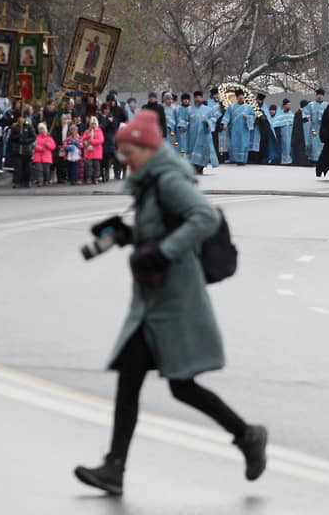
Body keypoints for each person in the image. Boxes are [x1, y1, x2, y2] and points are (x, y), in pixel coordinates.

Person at [74, 110, 267, 496]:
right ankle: (115, 466)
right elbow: (161, 227)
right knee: (144, 381)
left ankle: (247, 436)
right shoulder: (148, 183)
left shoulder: (168, 181)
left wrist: (162, 252)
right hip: (153, 301)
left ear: (147, 148)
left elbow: (204, 217)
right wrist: (128, 235)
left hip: (175, 299)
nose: (124, 161)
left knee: (177, 385)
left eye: (128, 153)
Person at [221, 89, 255, 165]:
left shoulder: (248, 107)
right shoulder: (231, 107)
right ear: (236, 98)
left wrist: (248, 117)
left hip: (244, 130)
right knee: (235, 144)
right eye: (239, 97)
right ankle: (235, 159)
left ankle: (243, 160)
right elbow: (227, 116)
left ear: (244, 97)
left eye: (242, 97)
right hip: (235, 130)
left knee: (244, 144)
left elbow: (254, 116)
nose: (241, 98)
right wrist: (225, 123)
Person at [188, 91, 218, 174]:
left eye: (200, 97)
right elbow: (185, 121)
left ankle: (201, 167)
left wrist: (208, 122)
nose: (198, 99)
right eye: (196, 97)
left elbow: (213, 119)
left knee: (203, 151)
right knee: (193, 152)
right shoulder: (189, 109)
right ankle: (193, 167)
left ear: (202, 98)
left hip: (204, 135)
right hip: (193, 135)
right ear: (194, 99)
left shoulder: (208, 109)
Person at [8, 109, 36, 188]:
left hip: (27, 150)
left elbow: (33, 137)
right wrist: (17, 137)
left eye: (22, 118)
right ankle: (17, 182)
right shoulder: (15, 127)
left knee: (27, 168)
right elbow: (11, 138)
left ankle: (27, 181)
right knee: (18, 167)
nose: (21, 119)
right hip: (17, 150)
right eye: (20, 118)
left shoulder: (29, 126)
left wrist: (25, 140)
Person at [98, 102, 120, 181]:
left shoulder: (112, 116)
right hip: (101, 139)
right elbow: (101, 126)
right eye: (105, 109)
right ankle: (102, 173)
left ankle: (106, 173)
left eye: (108, 109)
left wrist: (112, 121)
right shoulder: (99, 116)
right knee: (101, 159)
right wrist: (108, 121)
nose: (107, 111)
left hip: (110, 139)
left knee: (109, 157)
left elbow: (115, 127)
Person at [306, 89, 328, 163]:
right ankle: (313, 160)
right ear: (316, 95)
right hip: (313, 128)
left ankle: (322, 160)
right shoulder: (311, 105)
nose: (320, 96)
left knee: (322, 145)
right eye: (318, 94)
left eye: (321, 95)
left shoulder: (326, 105)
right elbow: (306, 115)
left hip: (323, 129)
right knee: (312, 145)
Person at [81, 116, 104, 184]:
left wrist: (91, 141)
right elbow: (82, 139)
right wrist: (87, 137)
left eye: (94, 124)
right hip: (88, 151)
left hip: (96, 151)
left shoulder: (99, 131)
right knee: (89, 166)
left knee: (96, 166)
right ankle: (89, 177)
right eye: (92, 124)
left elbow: (101, 140)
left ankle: (96, 178)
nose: (93, 125)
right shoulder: (87, 131)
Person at [272, 99, 294, 165]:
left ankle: (289, 160)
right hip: (282, 133)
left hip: (290, 133)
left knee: (289, 147)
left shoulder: (291, 114)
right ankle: (283, 160)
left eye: (290, 105)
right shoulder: (279, 114)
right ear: (284, 105)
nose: (289, 106)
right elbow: (276, 123)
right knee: (284, 146)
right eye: (288, 105)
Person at [290, 99, 311, 166]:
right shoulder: (299, 113)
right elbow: (298, 125)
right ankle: (300, 162)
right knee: (299, 150)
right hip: (299, 136)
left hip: (301, 135)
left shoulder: (303, 113)